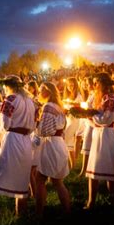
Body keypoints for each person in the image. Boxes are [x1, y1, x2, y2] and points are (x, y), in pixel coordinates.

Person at [0, 76, 36, 217]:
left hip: (12, 140)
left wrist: (0, 126)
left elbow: (5, 124)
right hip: (26, 141)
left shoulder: (10, 99)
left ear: (7, 86)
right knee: (22, 177)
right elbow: (33, 122)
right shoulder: (30, 101)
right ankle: (21, 215)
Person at [34, 83, 71, 215]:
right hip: (59, 143)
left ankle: (39, 213)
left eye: (40, 90)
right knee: (57, 182)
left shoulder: (48, 107)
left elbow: (45, 131)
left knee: (39, 180)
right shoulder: (59, 107)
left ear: (48, 92)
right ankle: (67, 211)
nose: (38, 92)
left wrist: (36, 124)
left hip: (50, 145)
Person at [85, 73, 114, 209]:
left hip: (107, 135)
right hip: (100, 134)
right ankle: (91, 201)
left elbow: (105, 119)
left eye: (95, 83)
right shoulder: (101, 98)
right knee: (93, 169)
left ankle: (112, 200)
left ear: (102, 84)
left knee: (110, 170)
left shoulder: (111, 98)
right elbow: (97, 117)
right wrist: (90, 113)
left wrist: (90, 114)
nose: (94, 86)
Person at [63, 78, 83, 169]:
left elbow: (81, 106)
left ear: (75, 85)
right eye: (68, 85)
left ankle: (62, 165)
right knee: (70, 144)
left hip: (75, 121)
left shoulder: (78, 95)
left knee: (64, 141)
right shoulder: (67, 96)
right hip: (68, 120)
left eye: (72, 85)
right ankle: (73, 165)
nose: (70, 87)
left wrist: (71, 105)